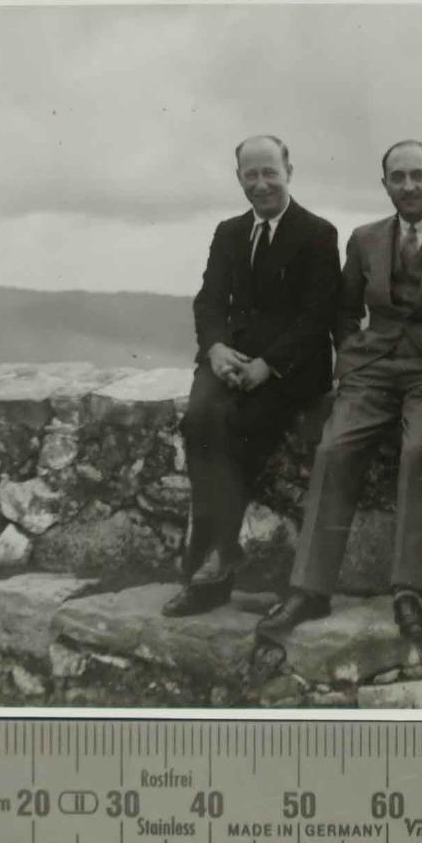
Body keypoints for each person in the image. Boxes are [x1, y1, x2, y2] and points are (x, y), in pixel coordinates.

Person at [257, 140, 422, 641]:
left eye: (418, 175)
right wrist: (352, 355)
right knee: (333, 447)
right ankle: (309, 591)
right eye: (398, 178)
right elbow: (345, 308)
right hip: (373, 369)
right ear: (385, 185)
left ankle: (408, 592)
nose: (409, 186)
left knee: (418, 451)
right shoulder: (365, 238)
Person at [162, 135, 341, 617]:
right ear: (239, 177)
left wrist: (268, 365)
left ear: (289, 172)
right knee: (198, 421)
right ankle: (223, 553)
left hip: (289, 370)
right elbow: (209, 301)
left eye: (270, 173)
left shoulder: (318, 233)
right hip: (230, 360)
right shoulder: (229, 233)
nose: (261, 184)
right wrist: (217, 350)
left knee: (237, 427)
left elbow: (317, 315)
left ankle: (208, 567)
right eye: (251, 174)